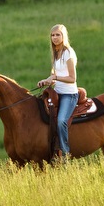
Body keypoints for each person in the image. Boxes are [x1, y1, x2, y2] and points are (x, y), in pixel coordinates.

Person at [37, 23, 78, 160]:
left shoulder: (68, 52)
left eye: (58, 35)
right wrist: (47, 81)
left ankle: (65, 154)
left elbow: (72, 78)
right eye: (52, 35)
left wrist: (54, 77)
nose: (55, 38)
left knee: (61, 120)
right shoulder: (55, 53)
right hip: (57, 92)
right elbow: (55, 76)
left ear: (63, 36)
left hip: (69, 94)